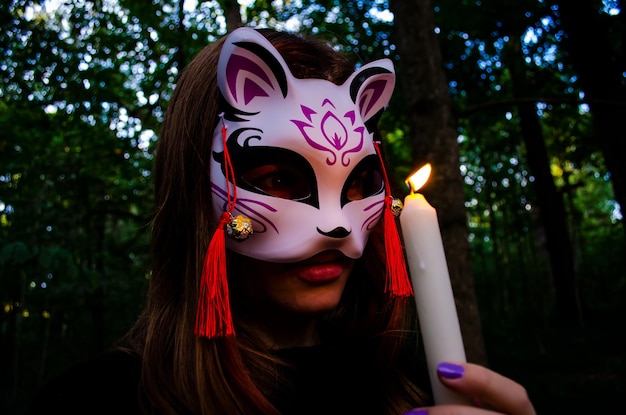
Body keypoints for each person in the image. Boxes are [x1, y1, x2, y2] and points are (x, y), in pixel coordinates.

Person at [25, 27, 535, 415]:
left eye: (357, 184)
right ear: (197, 197)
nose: (336, 224)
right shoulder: (95, 400)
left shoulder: (405, 389)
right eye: (274, 180)